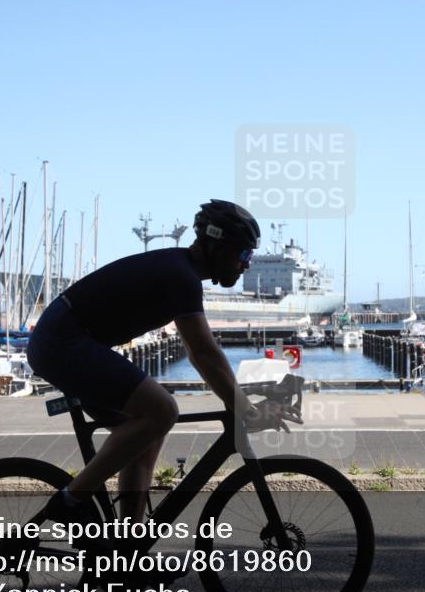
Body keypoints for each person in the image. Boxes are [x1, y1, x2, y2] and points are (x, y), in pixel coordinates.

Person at [27, 199, 301, 527]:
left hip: (65, 338)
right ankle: (70, 501)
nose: (247, 265)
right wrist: (246, 408)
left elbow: (204, 353)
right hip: (61, 341)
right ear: (218, 247)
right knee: (163, 410)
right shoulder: (181, 276)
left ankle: (129, 547)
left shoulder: (180, 271)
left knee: (148, 430)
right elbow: (203, 352)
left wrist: (239, 402)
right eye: (244, 254)